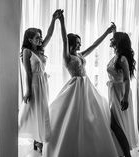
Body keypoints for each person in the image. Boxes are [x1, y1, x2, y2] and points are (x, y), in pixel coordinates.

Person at [43, 11, 123, 157]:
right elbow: (64, 40)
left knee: (91, 115)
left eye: (80, 43)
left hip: (87, 86)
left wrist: (106, 33)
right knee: (73, 116)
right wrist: (62, 22)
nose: (80, 45)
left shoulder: (80, 55)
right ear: (72, 44)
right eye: (78, 43)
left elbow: (94, 45)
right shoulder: (67, 56)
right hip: (75, 86)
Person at [18, 9, 62, 154]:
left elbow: (49, 34)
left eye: (40, 36)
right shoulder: (27, 52)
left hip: (44, 83)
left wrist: (54, 19)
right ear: (29, 39)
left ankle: (38, 140)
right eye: (37, 37)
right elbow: (28, 73)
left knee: (42, 111)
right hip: (35, 83)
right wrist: (28, 90)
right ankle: (37, 140)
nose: (40, 39)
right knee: (35, 111)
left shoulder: (41, 49)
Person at [107, 31, 139, 155]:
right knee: (116, 123)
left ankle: (127, 155)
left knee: (117, 124)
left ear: (118, 42)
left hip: (121, 92)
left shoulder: (122, 58)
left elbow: (126, 79)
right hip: (114, 91)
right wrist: (114, 31)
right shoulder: (117, 55)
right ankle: (122, 152)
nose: (111, 40)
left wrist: (125, 98)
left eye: (113, 39)